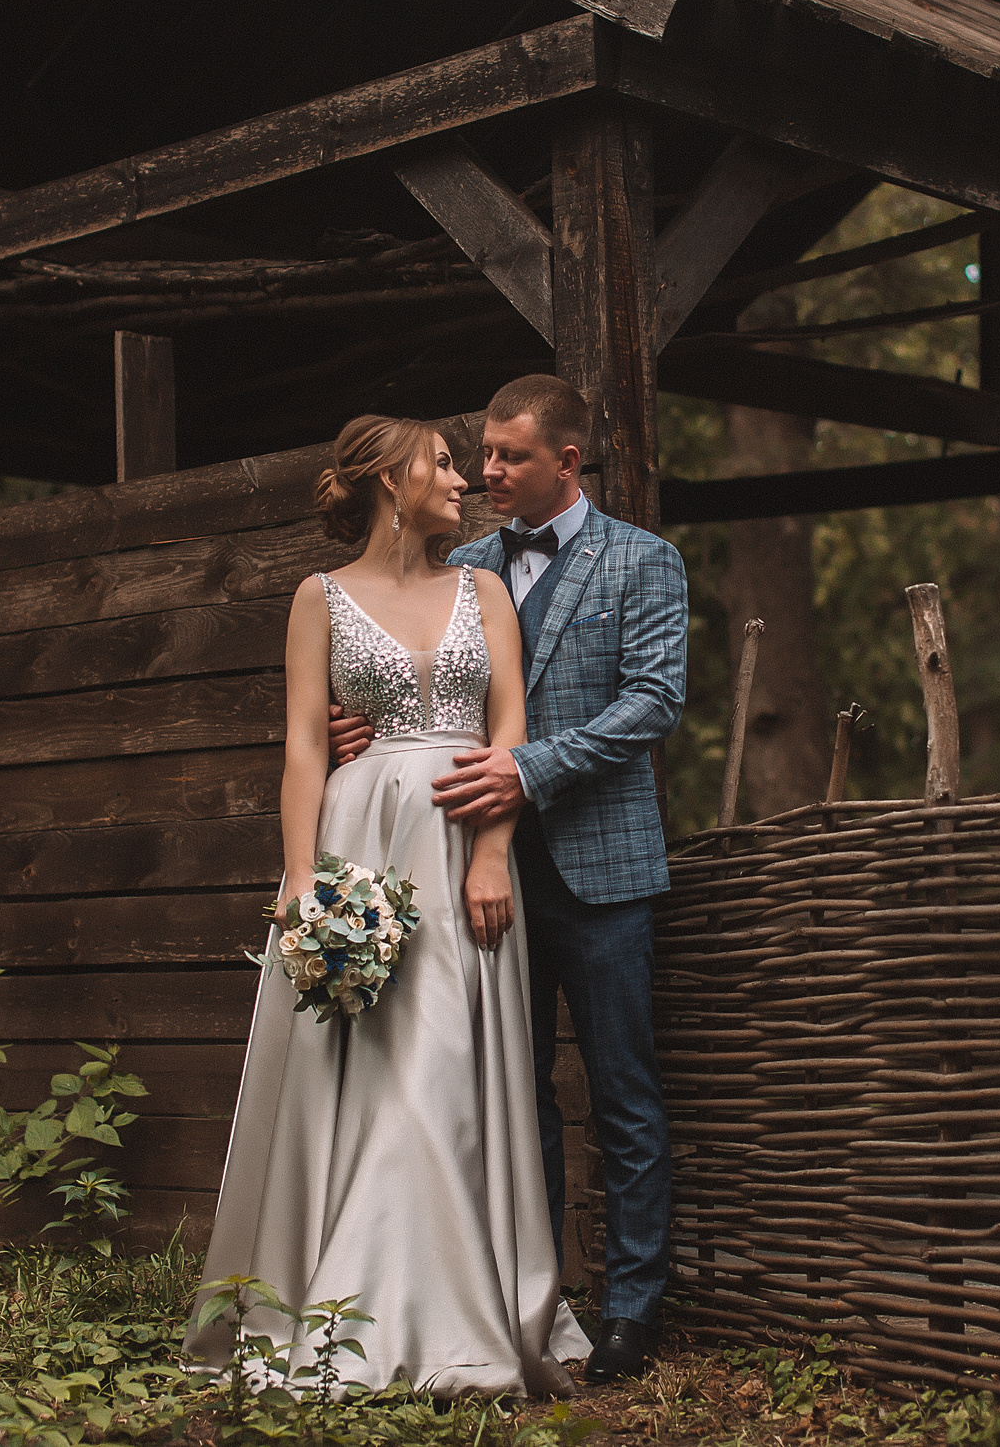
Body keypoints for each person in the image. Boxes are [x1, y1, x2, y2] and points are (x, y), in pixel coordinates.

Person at [189, 415, 591, 1399]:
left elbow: (509, 723)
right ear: (386, 480)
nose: (463, 479)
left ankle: (452, 1317)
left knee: (444, 1066)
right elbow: (302, 745)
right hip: (357, 843)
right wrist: (300, 878)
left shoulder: (484, 590)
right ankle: (346, 1312)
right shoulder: (317, 598)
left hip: (461, 848)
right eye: (442, 463)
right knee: (365, 1064)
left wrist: (492, 854)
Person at [328, 375, 687, 1384]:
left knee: (622, 1093)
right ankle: (531, 1299)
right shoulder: (466, 566)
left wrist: (530, 767)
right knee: (508, 1092)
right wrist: (359, 724)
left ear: (565, 462)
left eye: (508, 456)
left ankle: (631, 1310)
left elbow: (655, 699)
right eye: (480, 453)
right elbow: (413, 674)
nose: (485, 471)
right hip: (472, 871)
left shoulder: (643, 560)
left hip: (602, 870)